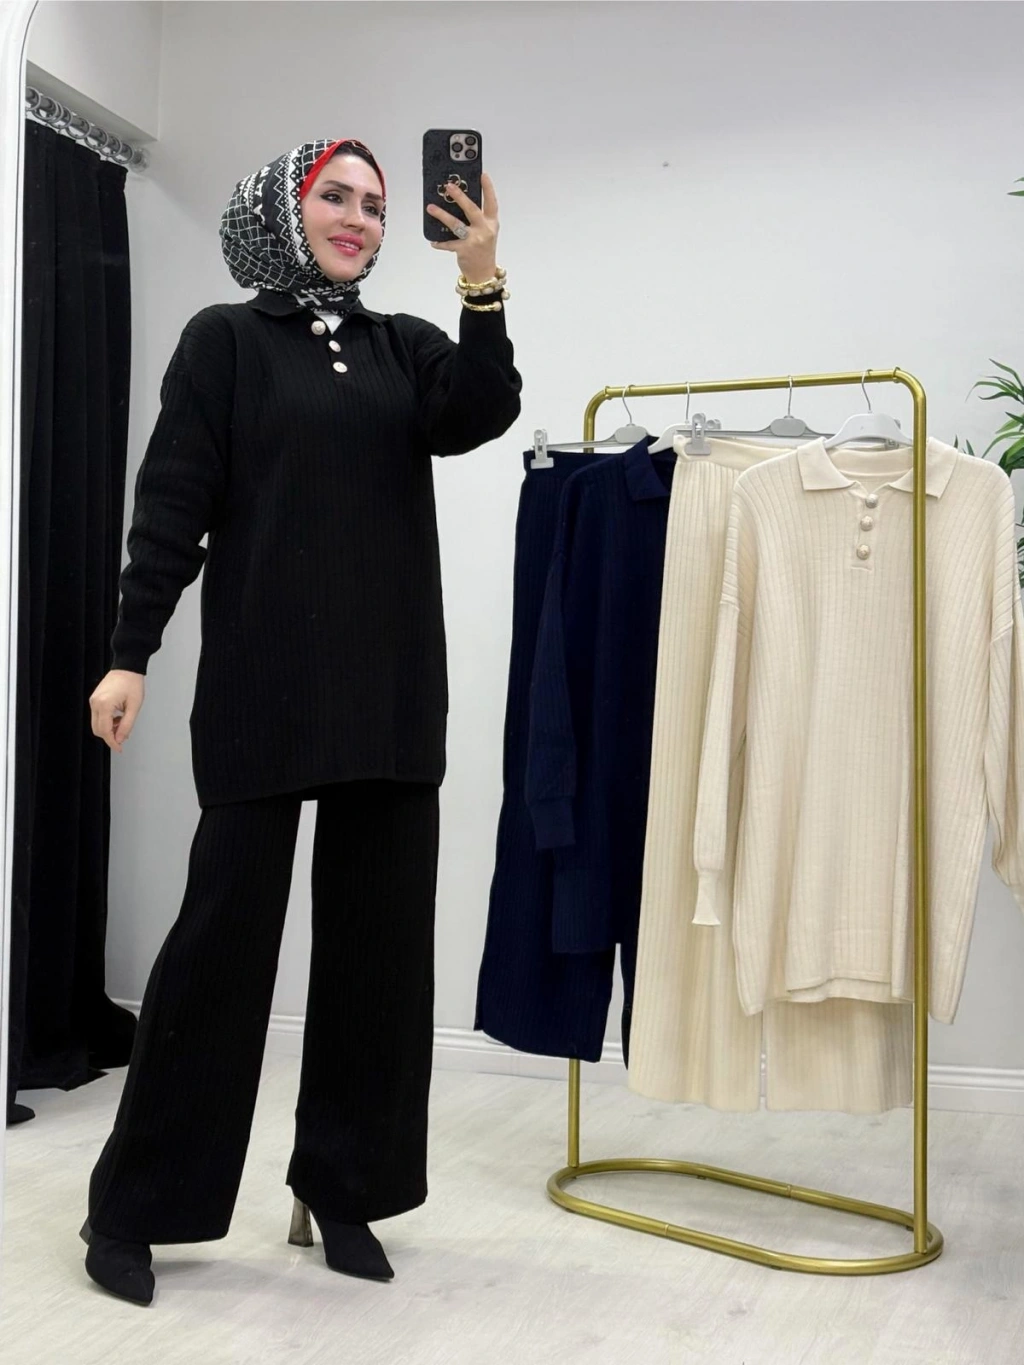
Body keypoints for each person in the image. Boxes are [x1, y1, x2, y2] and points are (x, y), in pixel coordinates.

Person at [80, 137, 521, 1306]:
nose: (359, 218)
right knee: (217, 955)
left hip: (390, 693)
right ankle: (136, 1208)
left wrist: (479, 275)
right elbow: (173, 501)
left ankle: (341, 1188)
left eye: (374, 204)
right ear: (284, 207)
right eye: (336, 195)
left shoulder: (402, 347)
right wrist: (130, 653)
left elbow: (481, 411)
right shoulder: (224, 343)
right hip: (265, 687)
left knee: (380, 959)